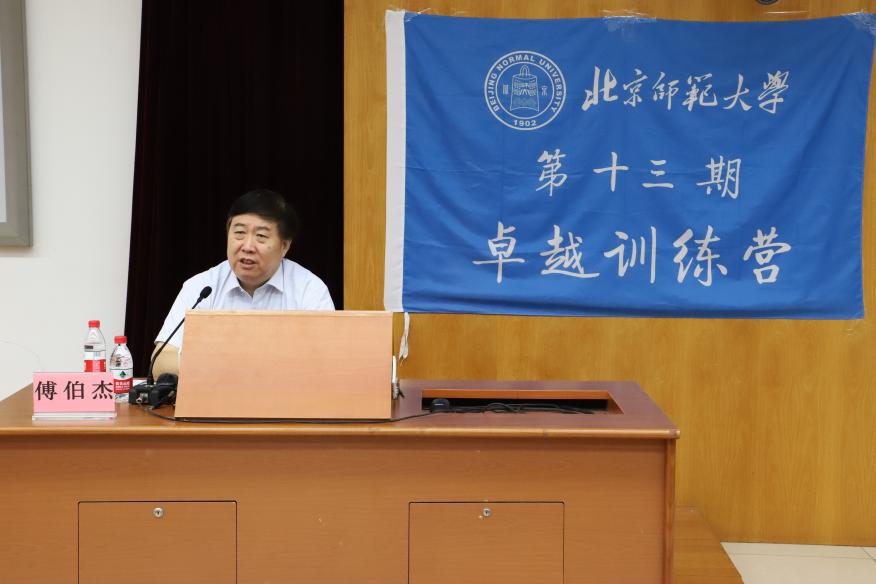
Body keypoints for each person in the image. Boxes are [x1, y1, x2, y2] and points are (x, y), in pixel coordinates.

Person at [151, 189, 334, 377]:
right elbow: (161, 361)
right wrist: (222, 368)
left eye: (261, 236)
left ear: (284, 246)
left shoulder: (309, 290)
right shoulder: (202, 287)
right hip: (215, 393)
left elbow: (327, 363)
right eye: (239, 233)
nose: (247, 246)